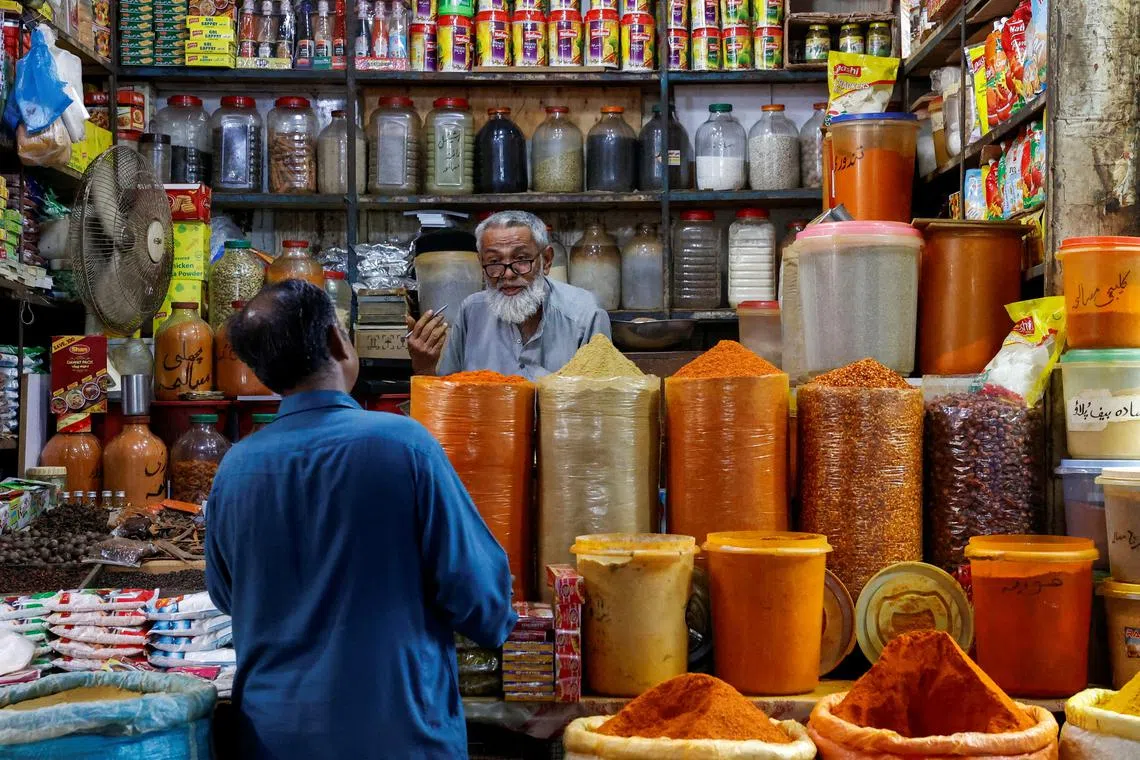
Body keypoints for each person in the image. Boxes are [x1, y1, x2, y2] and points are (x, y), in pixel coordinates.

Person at [206, 280, 516, 759]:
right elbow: (478, 596)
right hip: (397, 731)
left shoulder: (235, 466)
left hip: (272, 734)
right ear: (337, 340)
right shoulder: (403, 444)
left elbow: (227, 596)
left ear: (264, 375)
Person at [405, 210, 612, 379]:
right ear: (481, 264)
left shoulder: (584, 315)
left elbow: (597, 404)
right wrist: (425, 368)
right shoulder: (471, 311)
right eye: (494, 262)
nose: (508, 274)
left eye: (521, 259)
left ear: (546, 260)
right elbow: (448, 398)